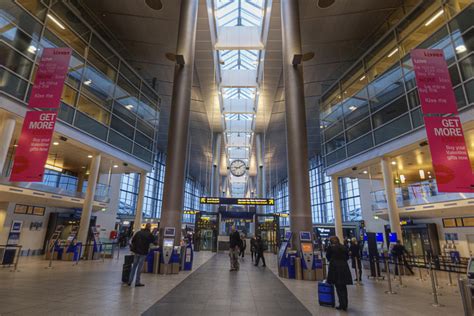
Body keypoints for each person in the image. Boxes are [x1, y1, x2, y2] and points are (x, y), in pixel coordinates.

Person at [326, 236, 353, 311]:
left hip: (335, 268)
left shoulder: (330, 248)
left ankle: (342, 304)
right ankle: (345, 304)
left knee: (338, 286)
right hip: (344, 267)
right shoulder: (343, 247)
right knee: (343, 286)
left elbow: (328, 256)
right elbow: (347, 257)